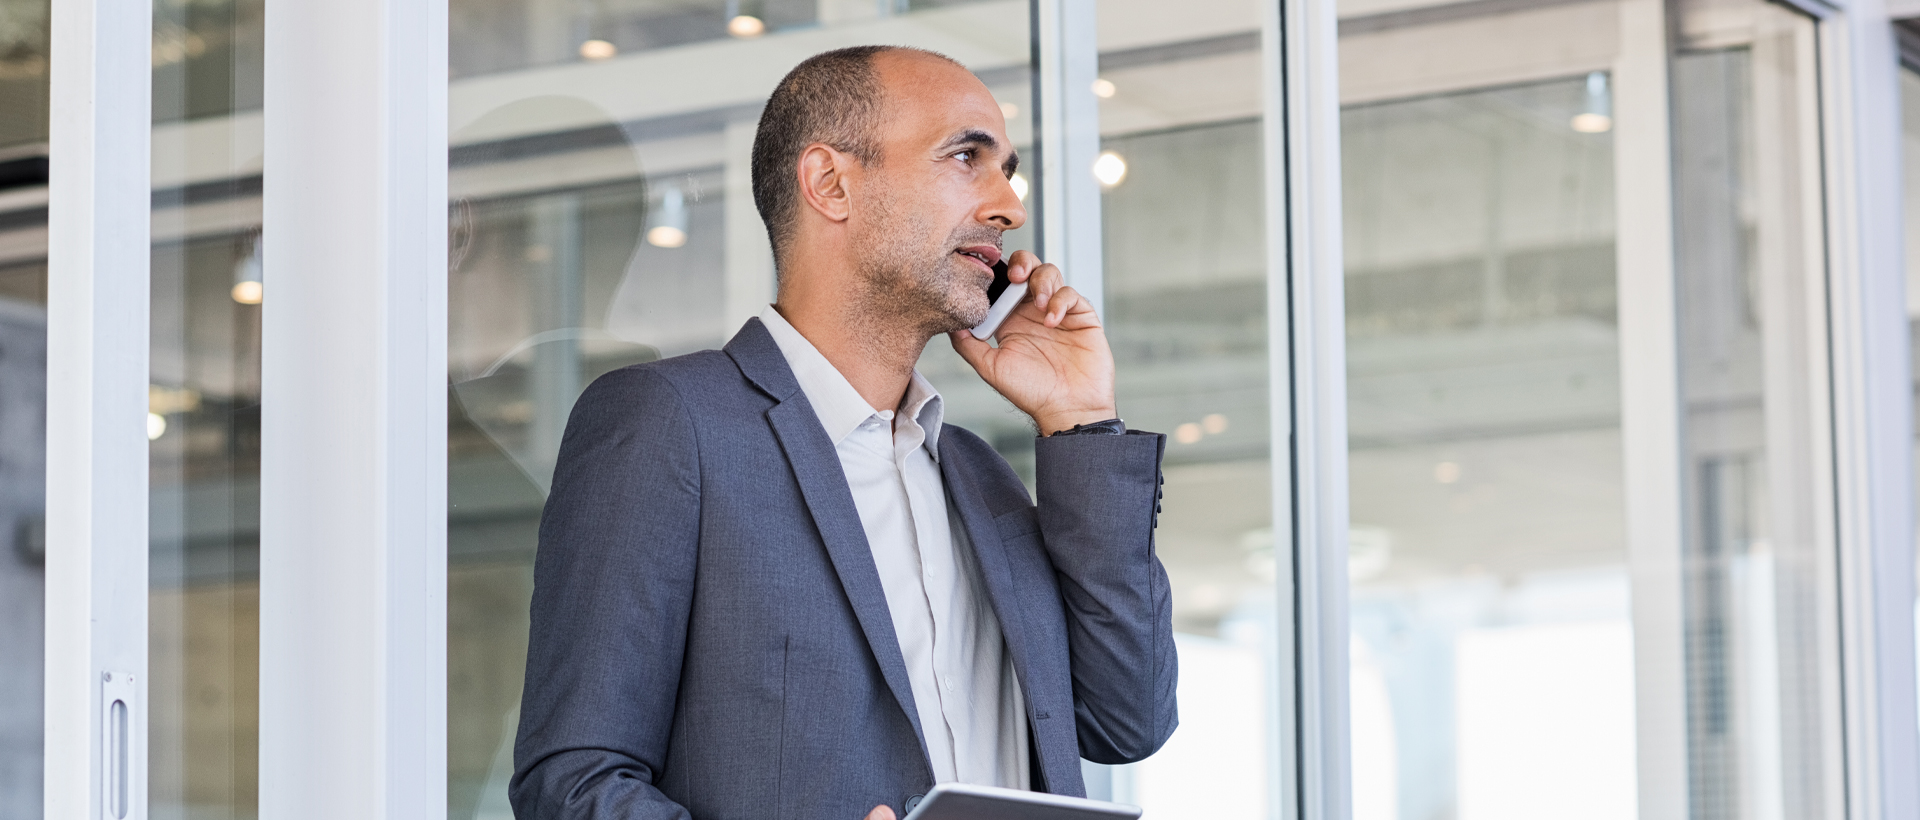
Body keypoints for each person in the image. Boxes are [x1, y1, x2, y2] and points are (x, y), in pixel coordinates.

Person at [509, 45, 1177, 820]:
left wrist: (1081, 421)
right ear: (831, 183)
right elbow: (574, 785)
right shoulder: (671, 425)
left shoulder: (977, 476)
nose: (1009, 206)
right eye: (968, 157)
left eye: (1009, 169)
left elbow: (1126, 721)